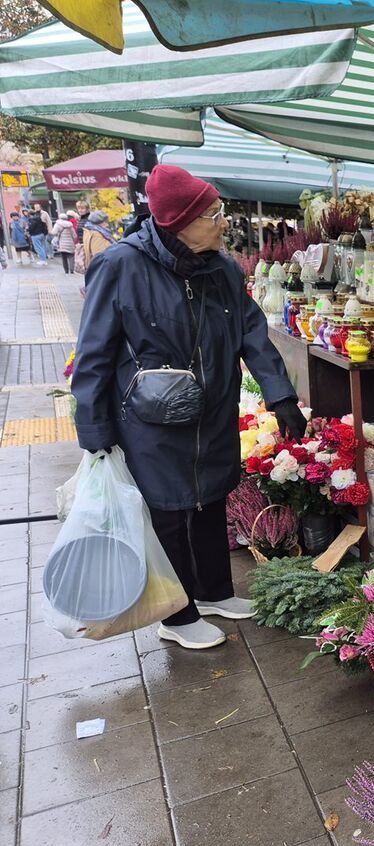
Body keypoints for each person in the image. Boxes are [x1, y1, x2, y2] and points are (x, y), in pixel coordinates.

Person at [72, 164, 306, 651]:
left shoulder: (221, 269)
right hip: (150, 420)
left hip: (213, 411)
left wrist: (280, 395)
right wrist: (95, 430)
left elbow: (251, 334)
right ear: (178, 222)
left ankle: (215, 591)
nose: (224, 223)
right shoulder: (121, 266)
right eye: (213, 215)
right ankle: (176, 616)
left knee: (210, 497)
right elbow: (93, 354)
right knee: (169, 510)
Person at [50, 209, 76, 274]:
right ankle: (72, 270)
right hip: (70, 243)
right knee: (71, 256)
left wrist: (57, 234)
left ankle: (66, 271)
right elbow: (74, 236)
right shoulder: (70, 225)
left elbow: (53, 232)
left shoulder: (58, 224)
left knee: (64, 258)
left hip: (62, 244)